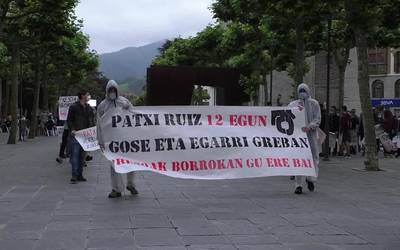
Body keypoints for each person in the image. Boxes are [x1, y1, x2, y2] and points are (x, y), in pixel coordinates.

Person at [97, 80, 138, 198]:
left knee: (130, 162)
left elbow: (135, 116)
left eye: (114, 90)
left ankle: (131, 184)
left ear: (117, 90)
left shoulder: (125, 102)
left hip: (127, 139)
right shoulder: (102, 105)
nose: (112, 92)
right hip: (112, 141)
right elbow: (99, 124)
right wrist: (100, 140)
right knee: (114, 165)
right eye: (110, 90)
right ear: (107, 91)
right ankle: (116, 188)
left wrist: (128, 108)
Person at [289, 83, 321, 195]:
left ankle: (310, 178)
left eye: (304, 90)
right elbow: (287, 118)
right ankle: (298, 185)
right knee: (299, 159)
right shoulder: (293, 105)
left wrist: (310, 126)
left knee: (313, 156)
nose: (302, 92)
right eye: (300, 90)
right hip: (298, 136)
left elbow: (317, 118)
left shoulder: (314, 104)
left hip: (311, 135)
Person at [67, 91, 95, 184]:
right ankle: (74, 176)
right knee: (75, 155)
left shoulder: (89, 107)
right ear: (82, 96)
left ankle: (80, 175)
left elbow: (92, 119)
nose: (88, 96)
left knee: (82, 156)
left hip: (85, 135)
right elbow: (69, 120)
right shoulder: (73, 107)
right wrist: (72, 129)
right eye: (87, 95)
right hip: (76, 134)